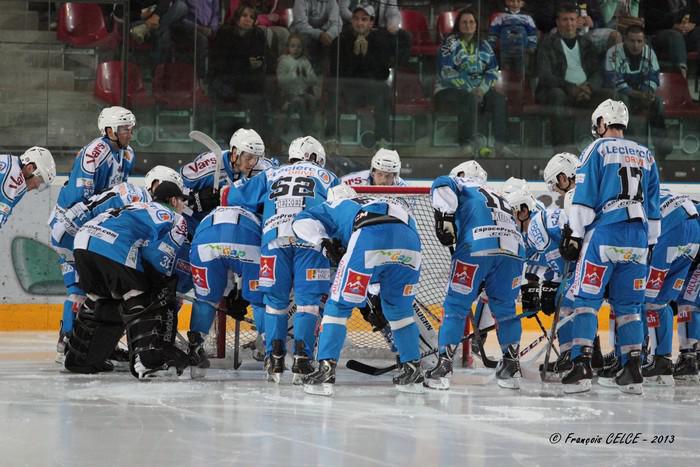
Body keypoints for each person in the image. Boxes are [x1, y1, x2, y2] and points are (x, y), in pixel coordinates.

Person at [559, 99, 660, 395]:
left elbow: (584, 195)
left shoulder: (596, 149)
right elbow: (652, 204)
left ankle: (580, 368)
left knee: (585, 300)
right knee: (628, 307)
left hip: (605, 234)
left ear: (602, 123)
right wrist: (651, 240)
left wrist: (575, 234)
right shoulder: (647, 155)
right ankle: (632, 369)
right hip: (639, 239)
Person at [225, 136, 340, 383]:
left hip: (274, 240)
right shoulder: (326, 176)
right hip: (310, 239)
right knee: (308, 303)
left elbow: (233, 197)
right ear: (315, 158)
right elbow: (344, 206)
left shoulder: (271, 174)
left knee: (275, 303)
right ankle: (302, 359)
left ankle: (274, 359)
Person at [292, 184, 425, 395]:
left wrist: (322, 241)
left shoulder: (334, 203)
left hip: (369, 236)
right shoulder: (374, 202)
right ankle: (412, 372)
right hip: (410, 243)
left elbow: (299, 221)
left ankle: (325, 371)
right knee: (400, 312)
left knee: (337, 305)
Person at [50, 165, 183, 363]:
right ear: (157, 185)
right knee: (130, 291)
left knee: (94, 294)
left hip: (77, 234)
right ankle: (141, 355)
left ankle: (79, 351)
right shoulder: (144, 200)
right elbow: (127, 237)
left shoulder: (131, 190)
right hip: (88, 236)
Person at [427, 163, 526, 390]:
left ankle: (443, 366)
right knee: (506, 308)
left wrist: (444, 218)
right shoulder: (497, 193)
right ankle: (511, 367)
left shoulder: (461, 183)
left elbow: (442, 182)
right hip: (514, 250)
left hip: (476, 246)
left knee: (456, 306)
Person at [49, 106, 136, 361]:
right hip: (71, 225)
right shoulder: (94, 152)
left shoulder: (127, 154)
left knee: (84, 290)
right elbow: (82, 200)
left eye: (130, 128)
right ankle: (73, 341)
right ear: (109, 130)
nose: (128, 133)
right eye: (123, 129)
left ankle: (78, 342)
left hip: (86, 225)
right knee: (92, 289)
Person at [187, 204, 266, 378]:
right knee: (260, 299)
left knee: (205, 299)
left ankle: (195, 347)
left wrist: (230, 295)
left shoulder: (212, 212)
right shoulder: (258, 216)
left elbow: (222, 275)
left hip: (205, 242)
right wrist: (242, 298)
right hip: (246, 239)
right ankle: (270, 349)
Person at [638, 189, 699, 386]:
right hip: (692, 235)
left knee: (648, 298)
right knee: (677, 301)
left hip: (674, 231)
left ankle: (657, 358)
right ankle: (684, 358)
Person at [434, 8, 513, 158]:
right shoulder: (449, 44)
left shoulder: (484, 45)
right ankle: (466, 145)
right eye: (464, 22)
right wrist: (471, 89)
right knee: (468, 99)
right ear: (458, 25)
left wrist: (482, 89)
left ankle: (501, 145)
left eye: (471, 22)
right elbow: (446, 72)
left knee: (499, 99)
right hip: (448, 89)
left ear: (476, 25)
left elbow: (492, 70)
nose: (468, 25)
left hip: (478, 90)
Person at [536, 3, 613, 150]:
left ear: (577, 21)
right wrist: (571, 88)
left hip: (585, 92)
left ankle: (607, 149)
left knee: (611, 97)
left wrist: (589, 87)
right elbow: (546, 76)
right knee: (556, 95)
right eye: (565, 20)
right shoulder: (547, 44)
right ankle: (562, 150)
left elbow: (598, 72)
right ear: (557, 22)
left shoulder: (587, 43)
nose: (569, 24)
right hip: (561, 91)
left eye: (572, 19)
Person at [326, 4, 393, 147]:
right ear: (352, 21)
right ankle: (332, 136)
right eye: (356, 19)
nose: (359, 23)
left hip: (371, 89)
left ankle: (382, 138)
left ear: (371, 23)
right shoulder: (340, 41)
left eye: (364, 19)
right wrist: (355, 55)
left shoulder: (380, 42)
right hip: (349, 89)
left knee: (385, 90)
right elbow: (336, 73)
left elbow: (383, 74)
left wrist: (366, 55)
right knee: (333, 89)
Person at [605, 25, 673, 159]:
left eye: (639, 41)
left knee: (657, 102)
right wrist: (638, 95)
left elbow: (654, 76)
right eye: (631, 41)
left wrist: (648, 92)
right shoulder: (613, 53)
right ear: (625, 40)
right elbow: (613, 80)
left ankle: (662, 146)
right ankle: (631, 145)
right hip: (620, 94)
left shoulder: (649, 52)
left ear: (644, 42)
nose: (635, 45)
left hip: (641, 92)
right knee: (621, 101)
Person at [179, 128, 265, 232]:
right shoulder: (209, 166)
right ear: (235, 153)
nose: (252, 162)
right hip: (200, 228)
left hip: (236, 227)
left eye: (256, 157)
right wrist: (195, 197)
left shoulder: (261, 168)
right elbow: (173, 187)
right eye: (248, 157)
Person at [209, 4, 271, 139]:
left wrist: (257, 63)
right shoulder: (224, 33)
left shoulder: (258, 34)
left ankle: (258, 137)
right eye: (244, 16)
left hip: (249, 78)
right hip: (226, 77)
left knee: (260, 93)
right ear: (237, 18)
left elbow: (262, 57)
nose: (248, 19)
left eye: (251, 17)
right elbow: (220, 61)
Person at [339, 0, 410, 65]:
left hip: (378, 28)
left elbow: (393, 13)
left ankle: (392, 66)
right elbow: (342, 9)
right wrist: (359, 19)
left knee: (404, 36)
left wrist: (392, 24)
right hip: (354, 24)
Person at [0, 146, 55, 229]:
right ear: (30, 168)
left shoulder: (10, 161)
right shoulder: (14, 175)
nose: (37, 186)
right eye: (40, 179)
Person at [277, 33, 320, 137]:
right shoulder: (283, 61)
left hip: (303, 93)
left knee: (312, 100)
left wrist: (306, 77)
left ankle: (310, 124)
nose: (296, 49)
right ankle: (303, 128)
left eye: (299, 46)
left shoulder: (305, 62)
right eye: (293, 46)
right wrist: (294, 74)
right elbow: (280, 80)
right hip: (288, 94)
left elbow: (314, 80)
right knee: (298, 101)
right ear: (288, 47)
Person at [488, 0, 538, 74]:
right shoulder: (501, 16)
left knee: (521, 73)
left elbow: (532, 33)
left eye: (518, 1)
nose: (515, 4)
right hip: (505, 50)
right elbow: (493, 31)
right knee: (505, 72)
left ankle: (521, 85)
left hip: (522, 51)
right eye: (512, 1)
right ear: (507, 2)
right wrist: (492, 44)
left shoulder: (527, 18)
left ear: (522, 3)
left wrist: (532, 45)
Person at [290, 0, 341, 69]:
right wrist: (319, 34)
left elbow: (337, 23)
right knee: (303, 39)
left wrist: (330, 34)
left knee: (337, 40)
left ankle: (328, 74)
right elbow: (300, 25)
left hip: (324, 32)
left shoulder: (332, 1)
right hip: (303, 33)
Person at [341, 148, 405, 186]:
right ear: (373, 173)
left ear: (395, 176)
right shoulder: (353, 181)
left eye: (388, 176)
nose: (383, 180)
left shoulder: (402, 187)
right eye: (380, 174)